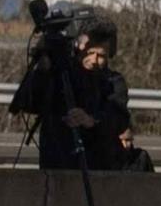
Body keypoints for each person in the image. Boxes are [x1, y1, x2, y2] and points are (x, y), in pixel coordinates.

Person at [9, 19, 129, 172]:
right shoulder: (60, 75)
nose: (93, 60)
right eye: (90, 53)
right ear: (79, 47)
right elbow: (29, 103)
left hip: (97, 162)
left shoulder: (113, 82)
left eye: (101, 55)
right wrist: (43, 71)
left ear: (110, 55)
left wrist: (91, 120)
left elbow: (119, 118)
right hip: (56, 160)